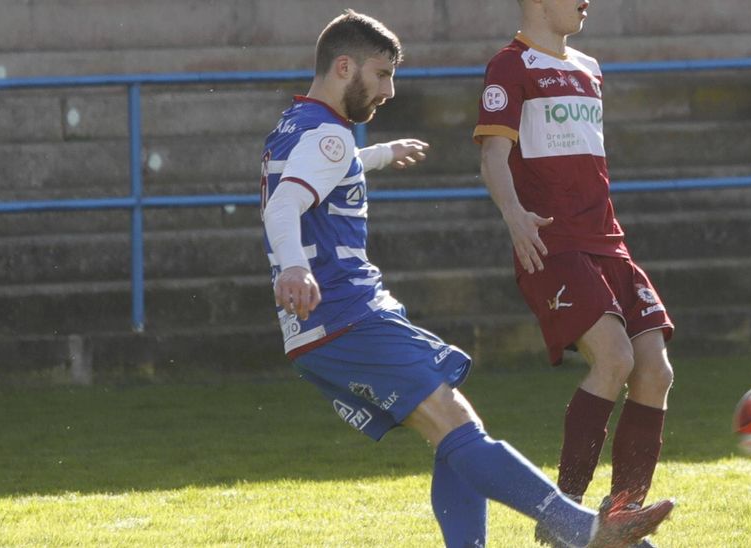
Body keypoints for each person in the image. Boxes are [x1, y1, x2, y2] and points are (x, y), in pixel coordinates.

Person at [260, 10, 673, 548]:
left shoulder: (298, 127)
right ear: (344, 67)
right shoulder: (328, 136)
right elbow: (286, 203)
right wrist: (293, 265)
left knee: (455, 429)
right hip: (344, 315)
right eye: (382, 75)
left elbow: (316, 173)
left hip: (340, 320)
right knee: (454, 423)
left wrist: (380, 154)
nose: (388, 91)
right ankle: (577, 528)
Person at [474, 0, 676, 543]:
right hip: (553, 244)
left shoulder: (589, 68)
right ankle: (566, 519)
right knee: (614, 358)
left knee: (655, 372)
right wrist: (515, 218)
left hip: (608, 243)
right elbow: (493, 155)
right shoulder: (509, 67)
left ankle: (621, 520)